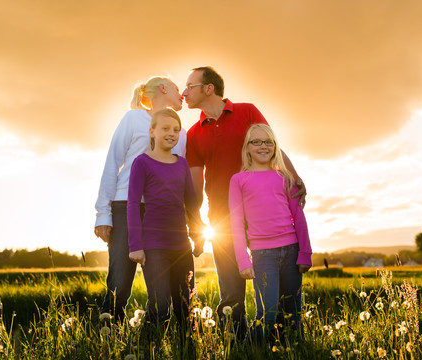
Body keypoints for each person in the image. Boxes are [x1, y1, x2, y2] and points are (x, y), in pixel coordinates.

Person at [183, 66, 306, 336]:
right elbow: (195, 183)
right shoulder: (193, 134)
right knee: (231, 288)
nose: (184, 93)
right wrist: (196, 222)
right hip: (222, 218)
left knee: (282, 287)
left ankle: (283, 338)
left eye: (189, 86)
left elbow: (271, 145)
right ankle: (235, 344)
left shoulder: (247, 111)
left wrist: (294, 177)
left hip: (265, 211)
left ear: (208, 88)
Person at [94, 76, 186, 322]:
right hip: (125, 208)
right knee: (120, 282)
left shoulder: (181, 133)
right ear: (164, 89)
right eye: (178, 89)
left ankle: (159, 341)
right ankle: (107, 339)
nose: (183, 94)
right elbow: (113, 163)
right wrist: (103, 213)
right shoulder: (133, 119)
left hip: (162, 215)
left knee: (162, 289)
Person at [229, 124, 312, 342]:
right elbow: (236, 222)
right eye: (256, 142)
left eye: (268, 142)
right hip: (262, 255)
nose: (263, 146)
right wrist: (243, 260)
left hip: (292, 252)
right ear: (247, 148)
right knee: (267, 314)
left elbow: (299, 217)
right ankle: (253, 353)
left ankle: (297, 352)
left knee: (294, 314)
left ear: (275, 147)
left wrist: (305, 252)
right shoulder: (239, 180)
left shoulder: (285, 177)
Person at [127, 108, 204, 329]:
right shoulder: (142, 163)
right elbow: (132, 204)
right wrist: (135, 245)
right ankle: (149, 349)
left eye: (176, 130)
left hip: (181, 247)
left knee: (185, 306)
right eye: (166, 128)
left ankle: (187, 350)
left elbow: (191, 204)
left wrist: (198, 237)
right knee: (160, 306)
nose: (172, 133)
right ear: (152, 132)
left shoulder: (181, 164)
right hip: (154, 247)